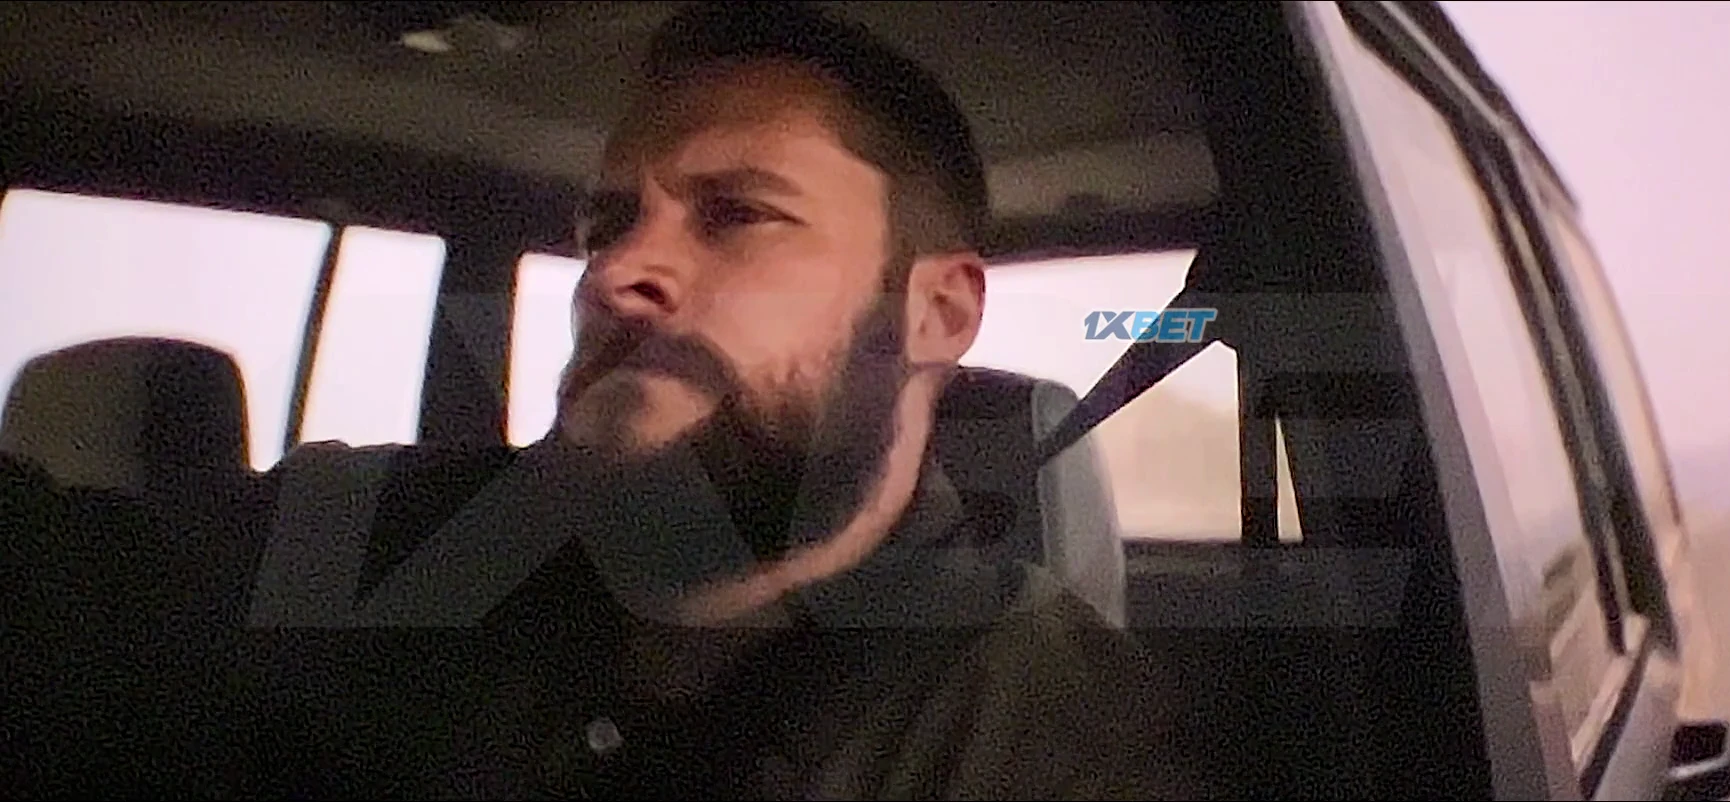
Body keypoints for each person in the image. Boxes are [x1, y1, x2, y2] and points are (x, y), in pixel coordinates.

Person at [7, 3, 1209, 799]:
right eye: (606, 225)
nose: (618, 268)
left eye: (738, 213)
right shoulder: (379, 535)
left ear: (937, 312)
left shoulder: (1058, 742)